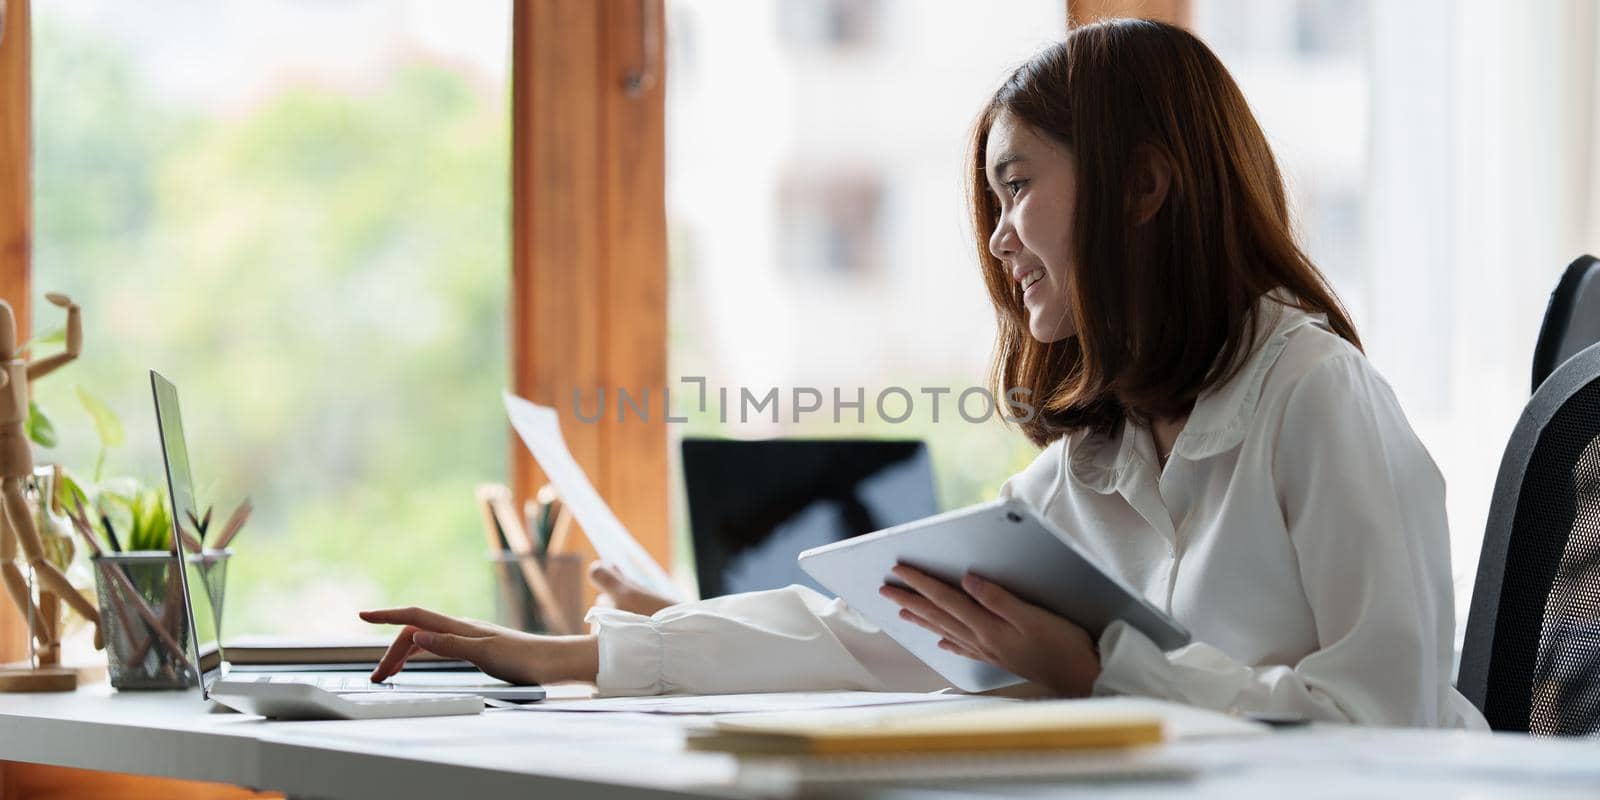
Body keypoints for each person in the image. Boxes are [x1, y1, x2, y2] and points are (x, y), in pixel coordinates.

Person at [362, 18, 1487, 728]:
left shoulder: (1313, 395)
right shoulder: (1093, 465)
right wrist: (560, 656)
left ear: (1144, 188)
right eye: (992, 199)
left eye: (1017, 186)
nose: (998, 237)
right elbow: (855, 628)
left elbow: (1384, 724)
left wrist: (1100, 666)